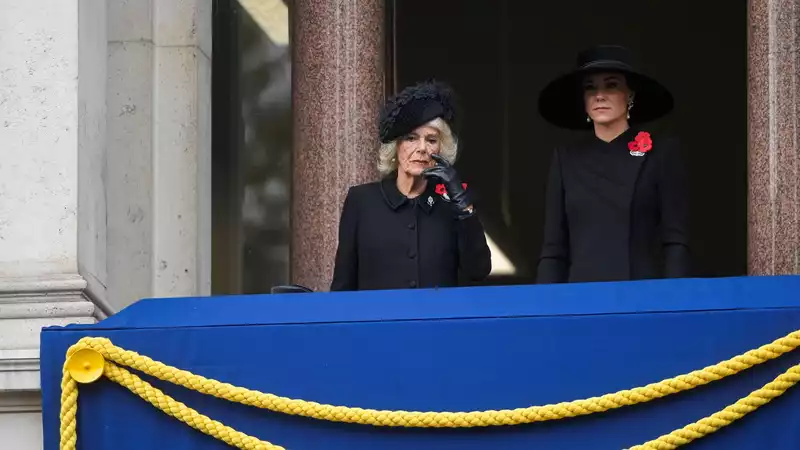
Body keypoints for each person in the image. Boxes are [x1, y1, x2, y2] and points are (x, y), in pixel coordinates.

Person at [536, 45, 690, 284]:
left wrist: (675, 301)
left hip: (642, 297)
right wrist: (544, 312)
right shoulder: (565, 159)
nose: (599, 95)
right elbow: (553, 250)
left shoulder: (660, 153)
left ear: (630, 95)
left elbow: (675, 240)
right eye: (590, 88)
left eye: (611, 85)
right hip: (580, 299)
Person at [330, 81, 491, 291]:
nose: (422, 148)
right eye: (411, 138)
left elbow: (478, 270)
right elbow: (343, 286)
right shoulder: (362, 201)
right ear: (395, 147)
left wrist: (462, 204)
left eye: (431, 140)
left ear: (440, 149)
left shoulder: (452, 205)